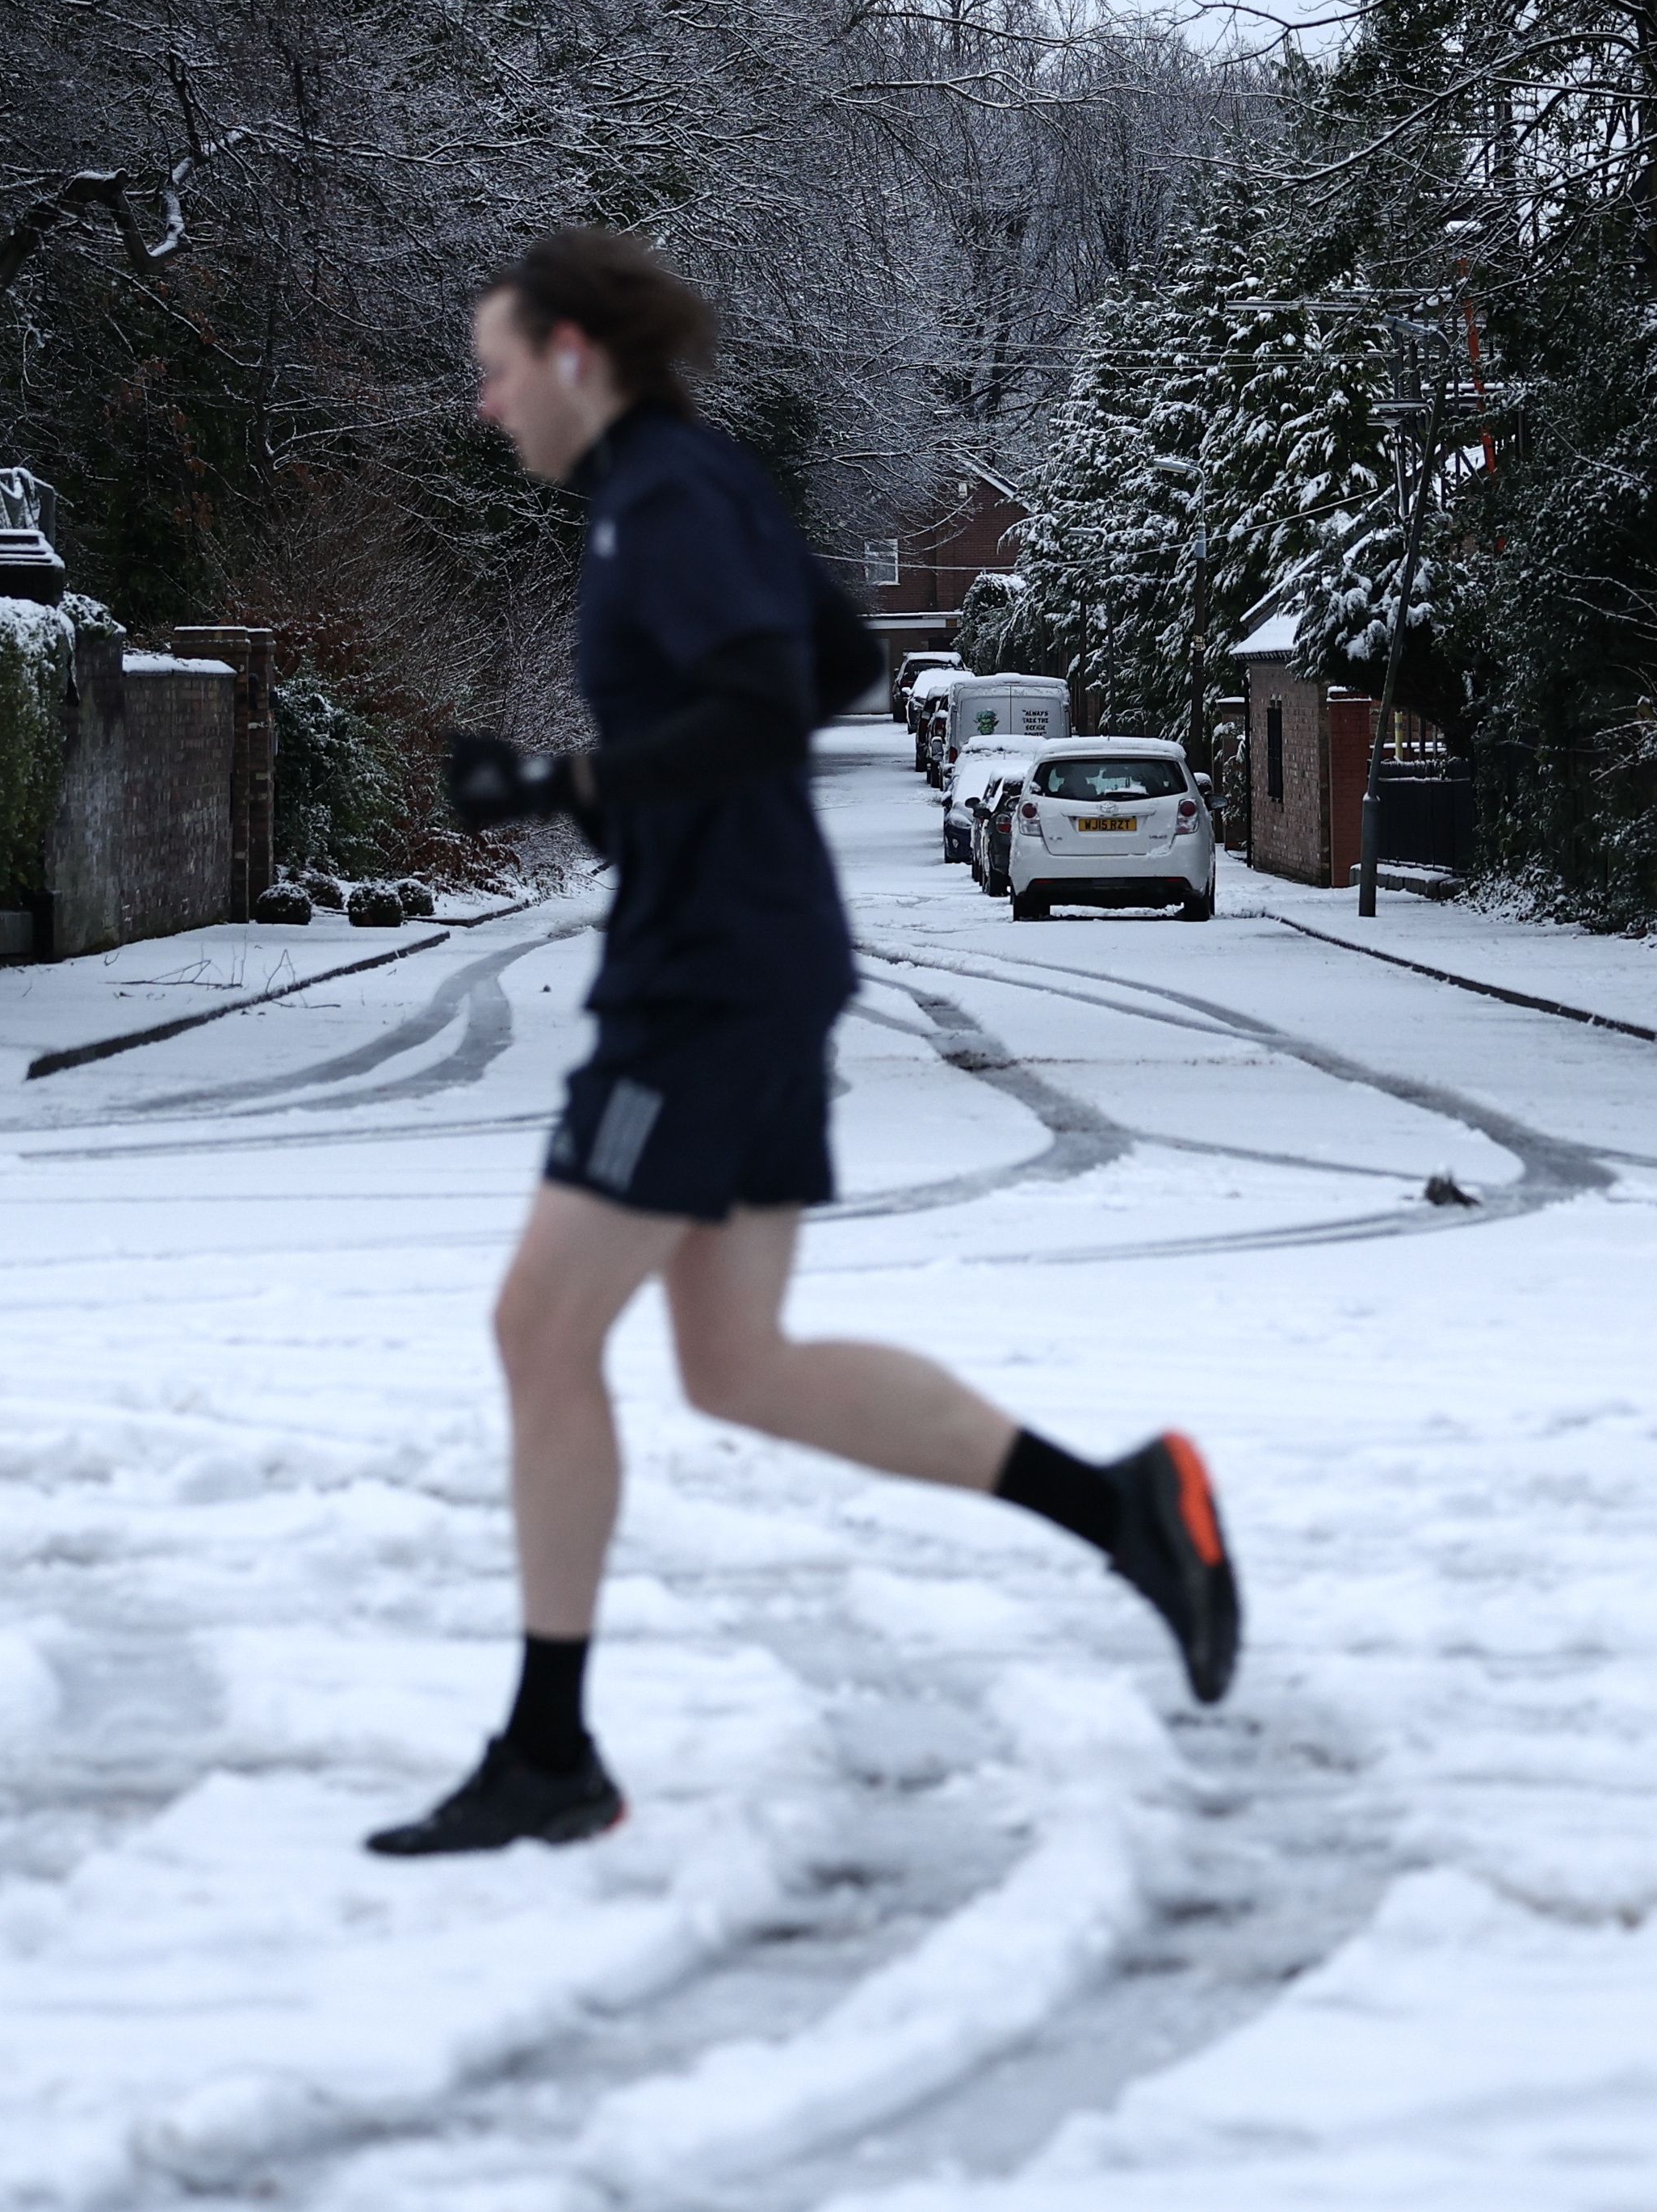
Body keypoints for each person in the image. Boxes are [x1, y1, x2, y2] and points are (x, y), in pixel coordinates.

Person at [370, 228, 1241, 1859]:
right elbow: (840, 657)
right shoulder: (701, 482)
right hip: (751, 957)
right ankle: (1122, 1511)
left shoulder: (661, 497)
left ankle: (548, 1745)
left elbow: (774, 695)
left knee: (538, 1332)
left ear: (574, 355)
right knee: (735, 1363)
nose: (484, 406)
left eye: (495, 369)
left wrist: (563, 786)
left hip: (706, 976)